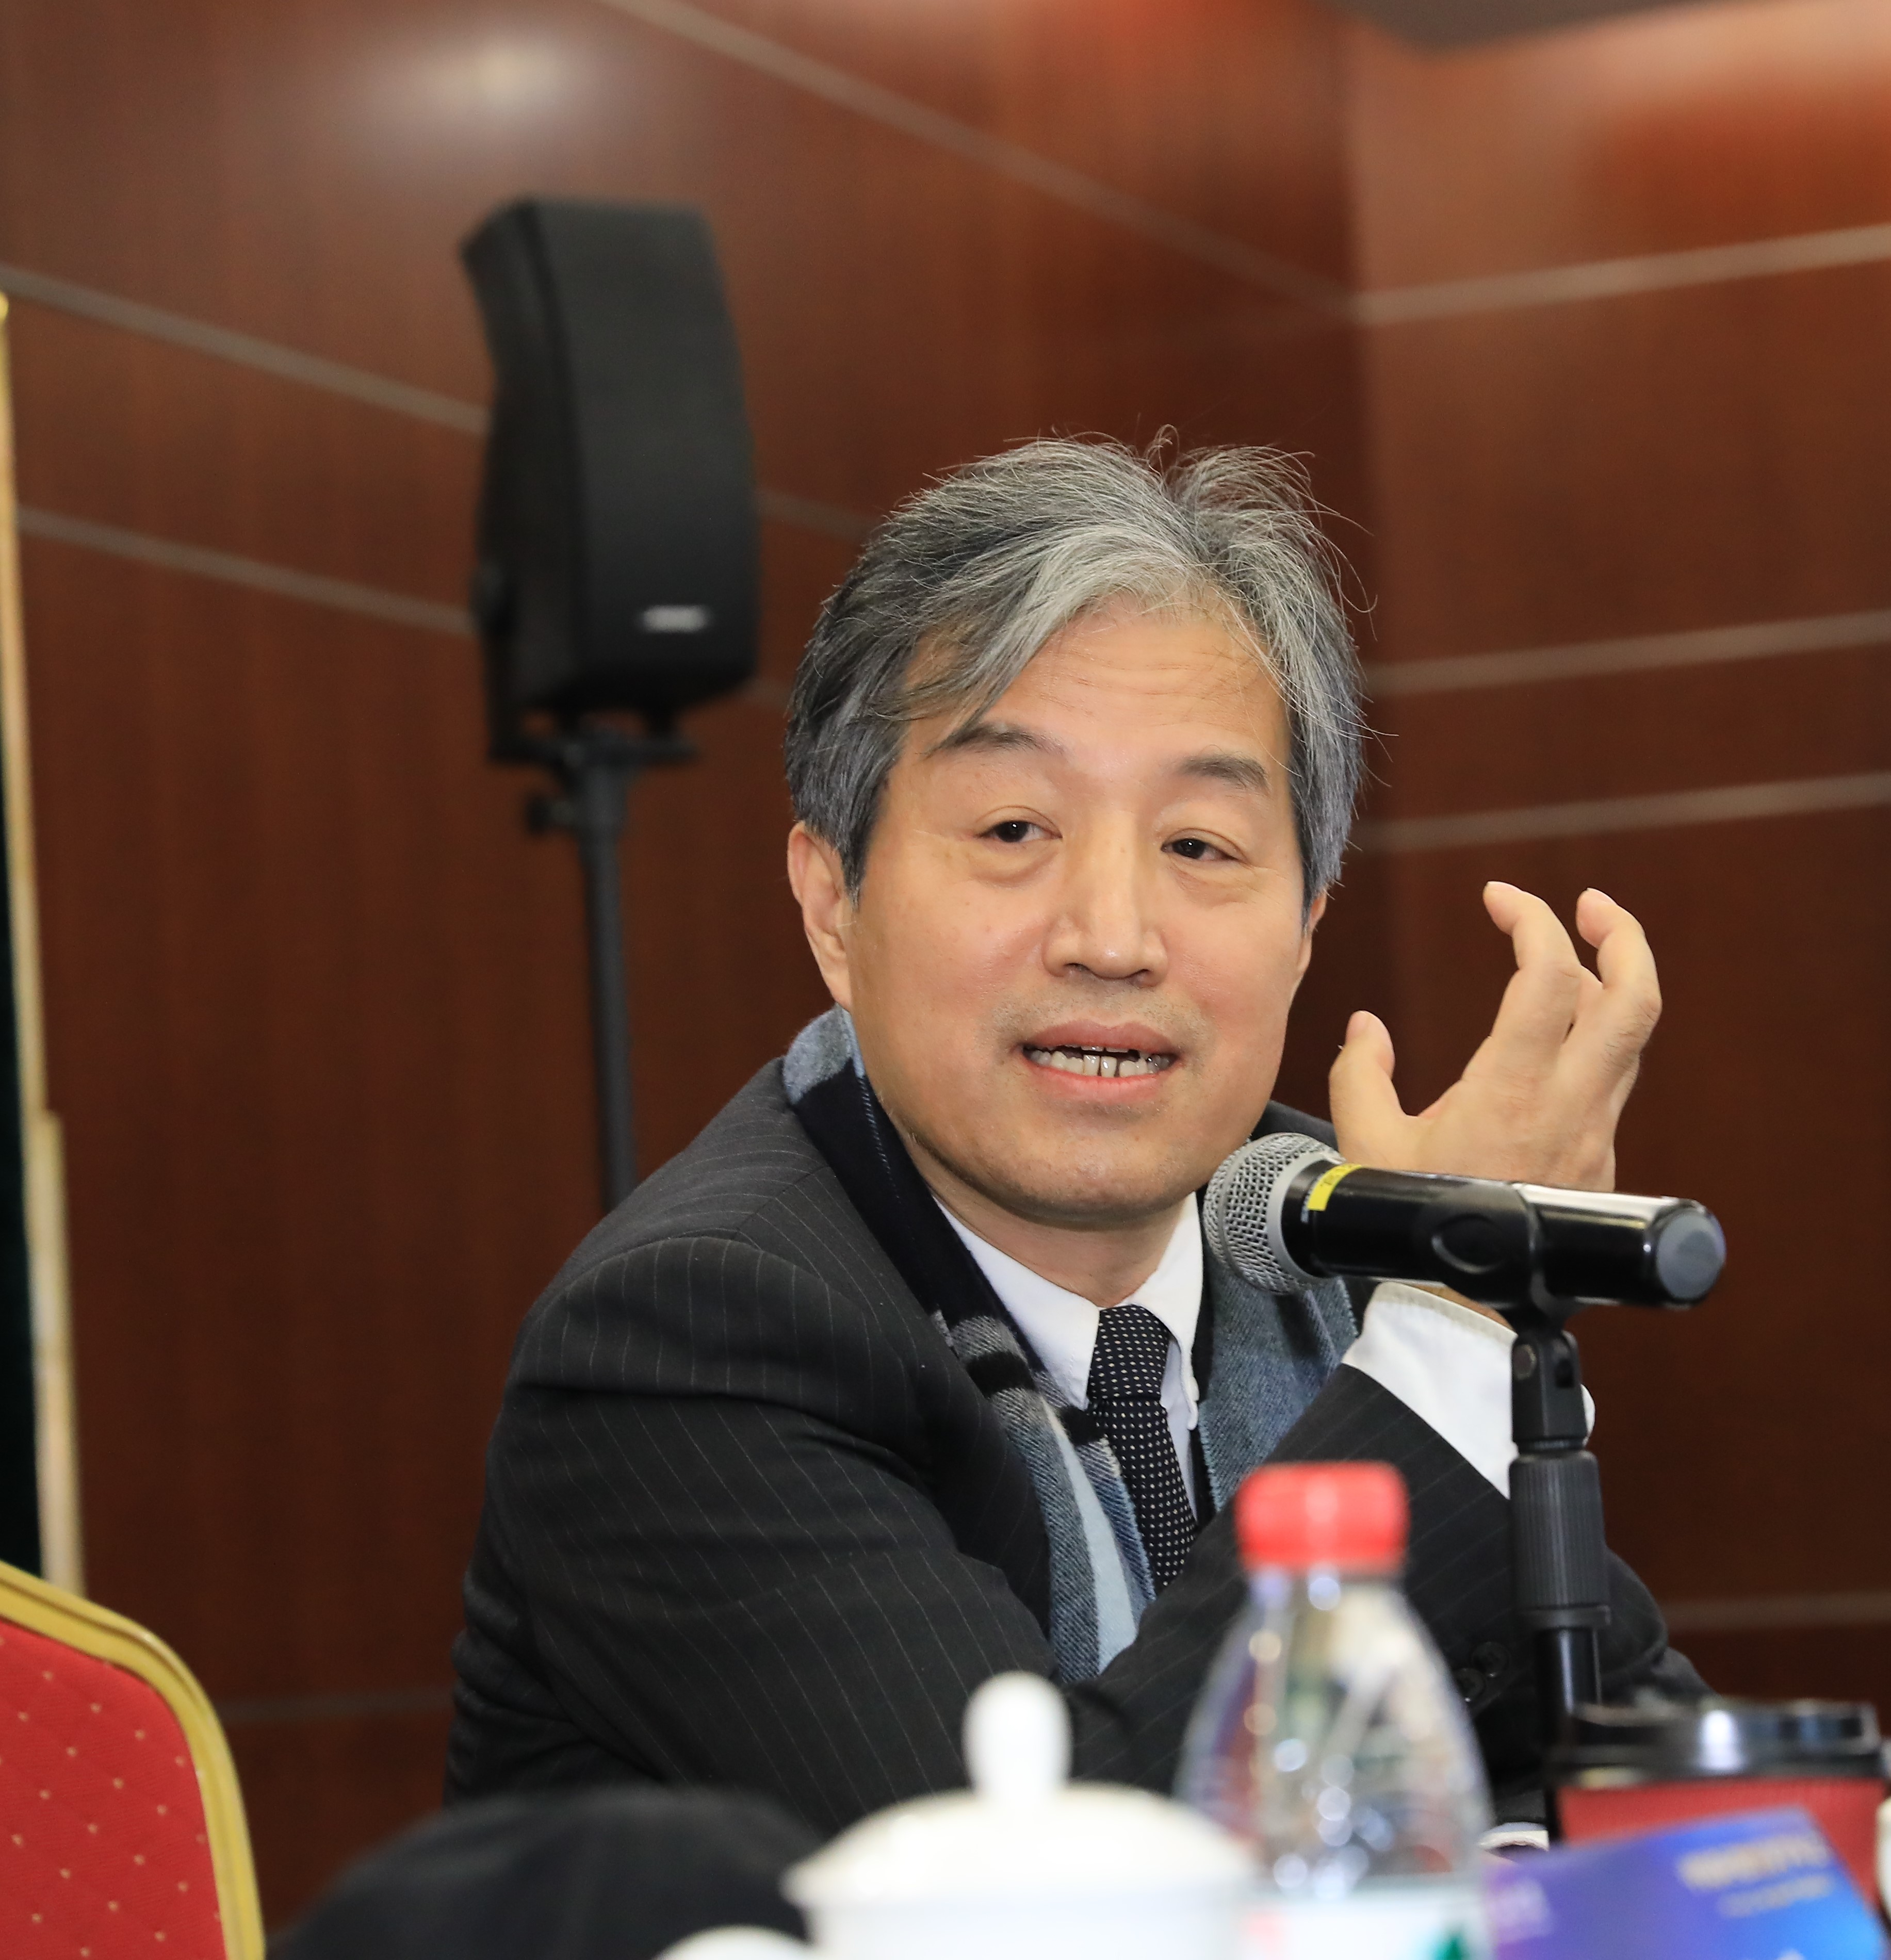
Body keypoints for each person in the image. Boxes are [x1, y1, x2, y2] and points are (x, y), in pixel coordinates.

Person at [445, 436, 1702, 1835]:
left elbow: (1658, 1790)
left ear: (1306, 930)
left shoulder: (1337, 1248)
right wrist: (1454, 1334)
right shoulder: (685, 1343)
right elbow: (1046, 1881)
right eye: (1013, 828)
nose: (1112, 936)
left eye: (1200, 846)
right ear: (832, 903)